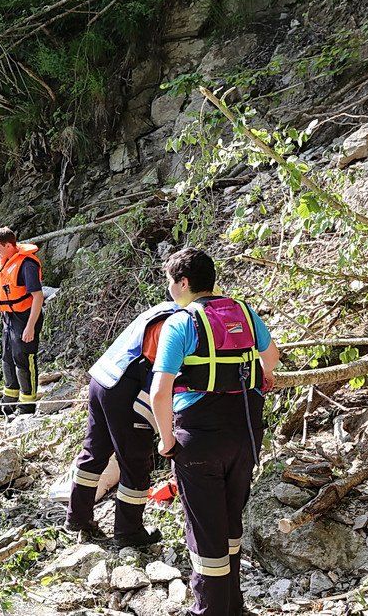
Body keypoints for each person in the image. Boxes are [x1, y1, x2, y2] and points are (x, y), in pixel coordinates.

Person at [150, 248, 279, 616]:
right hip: (245, 434)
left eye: (170, 281)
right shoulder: (244, 312)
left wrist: (166, 441)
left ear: (183, 283)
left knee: (206, 531)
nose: (169, 288)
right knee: (230, 521)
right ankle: (233, 606)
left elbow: (160, 392)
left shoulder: (180, 323)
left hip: (199, 438)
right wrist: (264, 376)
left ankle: (210, 610)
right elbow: (271, 359)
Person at [65, 298, 181, 546]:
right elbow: (162, 372)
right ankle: (129, 534)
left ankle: (77, 517)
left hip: (101, 379)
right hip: (124, 389)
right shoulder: (177, 322)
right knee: (135, 462)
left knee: (94, 451)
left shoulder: (162, 309)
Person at [0, 226, 44, 414]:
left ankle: (27, 404)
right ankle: (9, 401)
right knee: (7, 357)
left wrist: (30, 327)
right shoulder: (6, 260)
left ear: (8, 246)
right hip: (9, 317)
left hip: (26, 317)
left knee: (24, 358)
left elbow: (38, 297)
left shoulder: (27, 264)